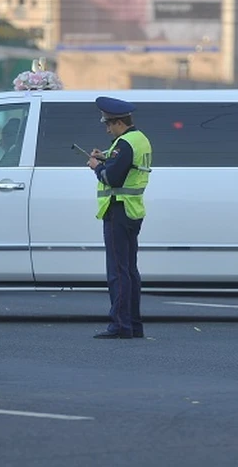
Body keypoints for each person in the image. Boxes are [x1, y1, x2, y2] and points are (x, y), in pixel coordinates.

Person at [87, 96, 153, 339]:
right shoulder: (139, 139)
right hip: (132, 210)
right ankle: (133, 324)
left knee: (117, 271)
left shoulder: (124, 143)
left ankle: (120, 326)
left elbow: (112, 178)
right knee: (130, 271)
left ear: (119, 123)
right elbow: (127, 167)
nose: (107, 129)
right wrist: (106, 159)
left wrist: (97, 167)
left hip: (118, 209)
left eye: (108, 124)